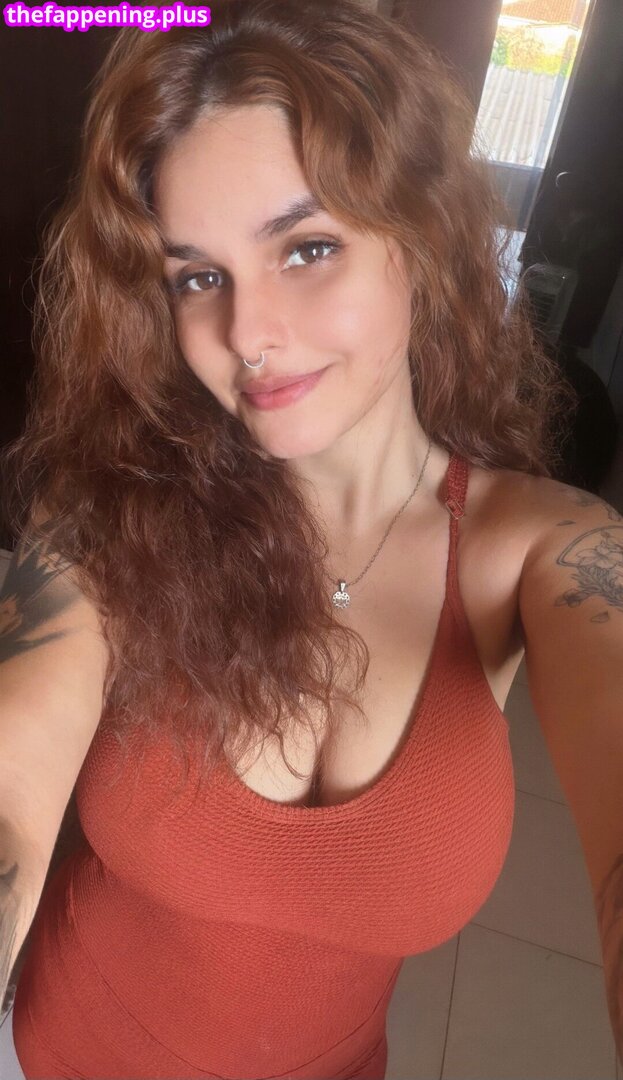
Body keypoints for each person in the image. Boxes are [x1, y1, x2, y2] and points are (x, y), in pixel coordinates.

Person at [2, 1, 621, 1078]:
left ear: (420, 243)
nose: (246, 333)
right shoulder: (109, 512)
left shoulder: (541, 550)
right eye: (198, 277)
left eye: (307, 248)